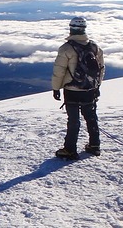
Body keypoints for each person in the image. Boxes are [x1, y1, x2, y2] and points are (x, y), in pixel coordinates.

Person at [52, 17, 105, 159]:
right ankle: (94, 145)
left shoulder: (66, 48)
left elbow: (59, 71)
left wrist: (56, 88)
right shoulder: (94, 47)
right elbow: (100, 69)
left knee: (73, 120)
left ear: (71, 29)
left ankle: (70, 149)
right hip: (90, 89)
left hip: (72, 90)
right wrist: (97, 86)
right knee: (91, 117)